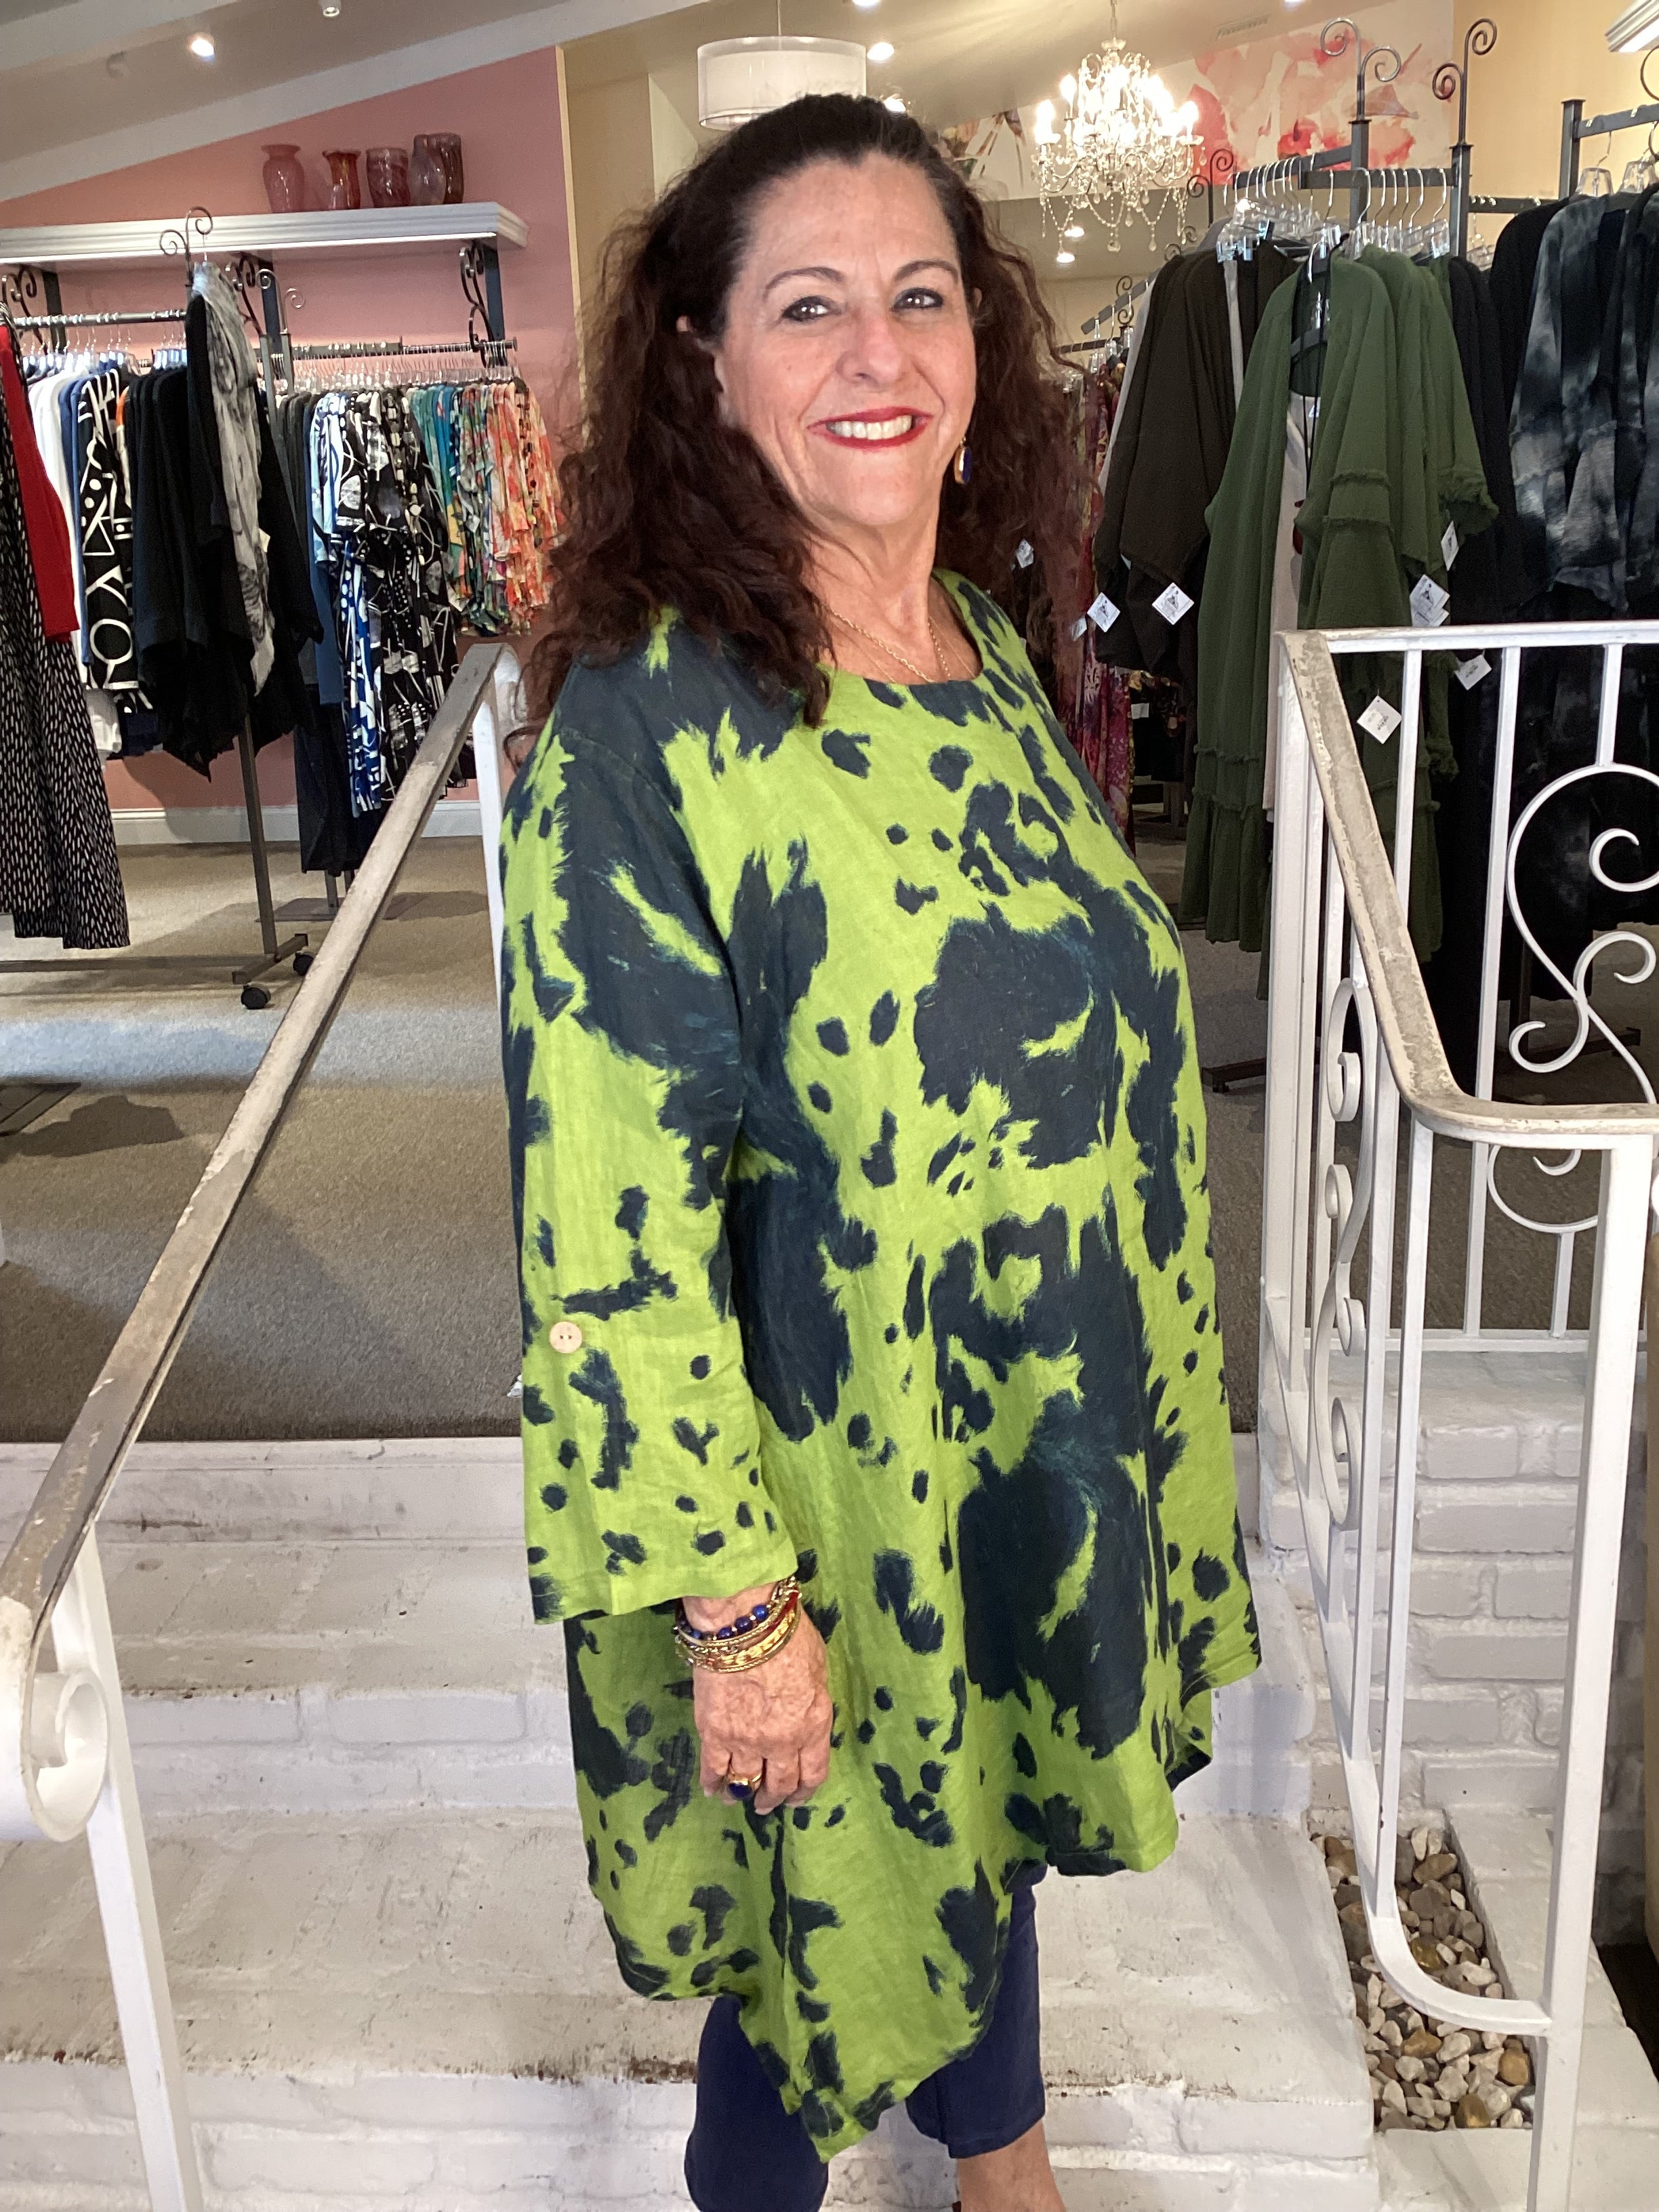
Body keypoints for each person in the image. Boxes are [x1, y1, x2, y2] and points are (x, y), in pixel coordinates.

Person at [499, 92, 1258, 2212]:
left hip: (1015, 1423)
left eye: (921, 298)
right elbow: (607, 1226)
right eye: (809, 306)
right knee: (809, 1943)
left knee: (972, 1827)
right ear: (704, 366)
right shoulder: (650, 727)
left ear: (981, 347)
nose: (879, 354)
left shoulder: (992, 660)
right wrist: (740, 1613)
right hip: (813, 1489)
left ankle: (1009, 2174)